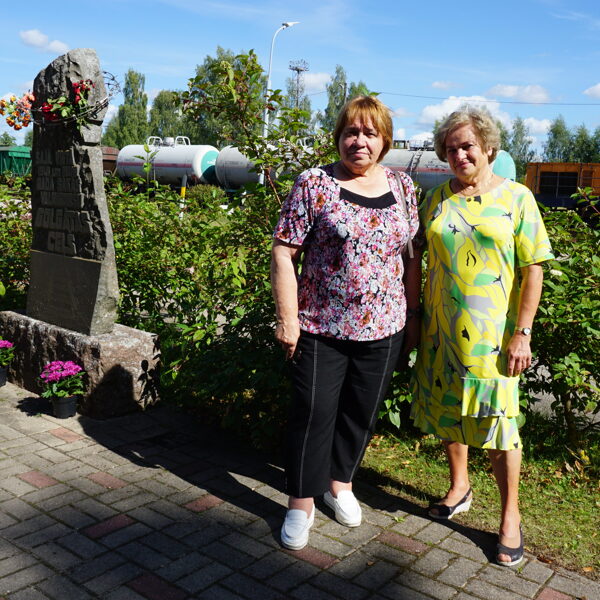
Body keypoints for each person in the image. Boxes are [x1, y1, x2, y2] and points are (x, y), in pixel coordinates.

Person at [271, 96, 422, 550]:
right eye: (351, 132)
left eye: (370, 133)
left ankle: (340, 485)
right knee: (313, 412)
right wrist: (288, 320)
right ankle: (301, 502)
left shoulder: (402, 186)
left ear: (384, 141)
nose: (360, 141)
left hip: (385, 328)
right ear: (338, 137)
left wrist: (413, 316)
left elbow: (411, 257)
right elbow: (283, 252)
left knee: (361, 412)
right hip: (322, 326)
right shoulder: (314, 183)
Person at [411, 106, 554, 567]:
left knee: (498, 427)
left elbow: (534, 269)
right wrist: (414, 318)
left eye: (467, 145)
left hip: (492, 340)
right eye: (451, 148)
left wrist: (522, 333)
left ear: (489, 146)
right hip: (441, 330)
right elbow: (414, 256)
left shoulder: (517, 198)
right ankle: (460, 487)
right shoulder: (436, 199)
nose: (460, 155)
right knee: (450, 409)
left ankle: (510, 516)